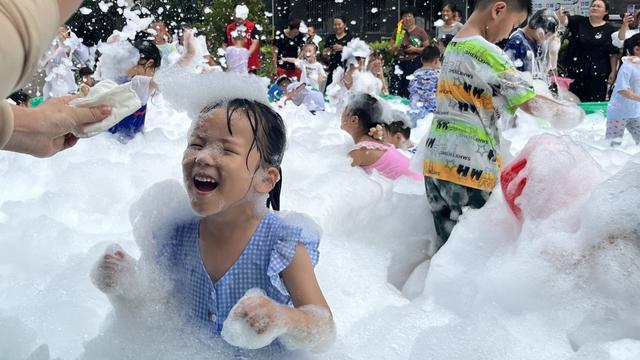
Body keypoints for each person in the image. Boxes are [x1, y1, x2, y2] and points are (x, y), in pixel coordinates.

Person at [91, 91, 335, 353]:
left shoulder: (282, 244)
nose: (203, 157)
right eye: (196, 144)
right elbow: (157, 303)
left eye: (226, 149)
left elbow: (324, 330)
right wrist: (125, 282)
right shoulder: (175, 232)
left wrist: (285, 319)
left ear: (265, 178)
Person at [423, 0, 585, 251]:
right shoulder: (486, 51)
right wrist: (572, 114)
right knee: (473, 252)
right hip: (469, 165)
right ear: (498, 9)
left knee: (445, 250)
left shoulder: (455, 45)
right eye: (512, 25)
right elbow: (530, 102)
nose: (509, 34)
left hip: (436, 160)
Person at [1, 0, 112, 158]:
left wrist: (31, 128)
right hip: (49, 87)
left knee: (66, 115)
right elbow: (37, 62)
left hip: (64, 89)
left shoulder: (71, 45)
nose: (62, 32)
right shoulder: (47, 43)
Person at [341, 92, 421, 181]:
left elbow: (339, 180)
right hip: (419, 186)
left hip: (411, 190)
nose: (341, 114)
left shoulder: (360, 151)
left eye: (344, 111)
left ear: (354, 120)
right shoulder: (376, 144)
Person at [557, 0, 618, 102]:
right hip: (575, 71)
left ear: (606, 12)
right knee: (574, 103)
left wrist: (613, 71)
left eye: (598, 6)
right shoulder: (578, 21)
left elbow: (613, 52)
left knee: (594, 105)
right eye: (593, 5)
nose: (594, 7)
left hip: (598, 74)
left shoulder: (609, 29)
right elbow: (565, 21)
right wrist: (560, 14)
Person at [108, 38, 161, 141]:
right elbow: (165, 82)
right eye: (155, 70)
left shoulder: (116, 80)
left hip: (108, 143)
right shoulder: (137, 82)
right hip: (129, 147)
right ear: (149, 64)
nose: (154, 74)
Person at [606, 33, 640, 146]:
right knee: (613, 146)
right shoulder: (627, 66)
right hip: (618, 112)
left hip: (635, 113)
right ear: (635, 49)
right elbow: (622, 90)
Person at [390, 8, 430, 98]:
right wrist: (396, 46)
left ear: (414, 18)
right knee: (396, 89)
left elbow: (428, 50)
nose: (407, 18)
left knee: (411, 90)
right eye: (404, 16)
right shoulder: (397, 31)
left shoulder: (420, 31)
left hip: (414, 63)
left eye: (409, 16)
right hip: (398, 63)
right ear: (401, 18)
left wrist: (415, 49)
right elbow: (391, 51)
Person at [504, 9, 559, 74]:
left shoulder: (537, 41)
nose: (547, 38)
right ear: (539, 30)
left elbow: (544, 68)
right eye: (548, 35)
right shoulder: (517, 42)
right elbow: (508, 74)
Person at [408, 45, 441, 124]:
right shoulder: (440, 74)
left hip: (414, 115)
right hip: (432, 117)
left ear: (421, 60)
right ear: (437, 60)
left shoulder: (415, 74)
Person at [224, 4, 261, 73]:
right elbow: (225, 44)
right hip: (234, 66)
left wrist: (246, 55)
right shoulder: (229, 28)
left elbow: (255, 42)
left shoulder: (252, 26)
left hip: (250, 64)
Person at [323, 15, 353, 89]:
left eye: (339, 24)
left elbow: (355, 53)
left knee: (345, 92)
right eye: (335, 25)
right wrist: (327, 52)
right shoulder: (330, 38)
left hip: (346, 69)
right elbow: (325, 54)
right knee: (330, 91)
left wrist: (343, 48)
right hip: (333, 68)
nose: (337, 27)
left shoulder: (350, 38)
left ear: (344, 25)